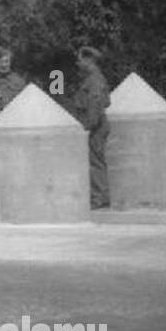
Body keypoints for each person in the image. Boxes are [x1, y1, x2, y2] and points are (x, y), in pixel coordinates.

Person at [72, 46, 110, 209]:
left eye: (80, 60)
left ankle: (99, 198)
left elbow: (96, 105)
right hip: (95, 125)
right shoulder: (92, 79)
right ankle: (100, 196)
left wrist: (88, 126)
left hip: (95, 126)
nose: (77, 63)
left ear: (89, 60)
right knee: (95, 161)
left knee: (95, 163)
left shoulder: (94, 80)